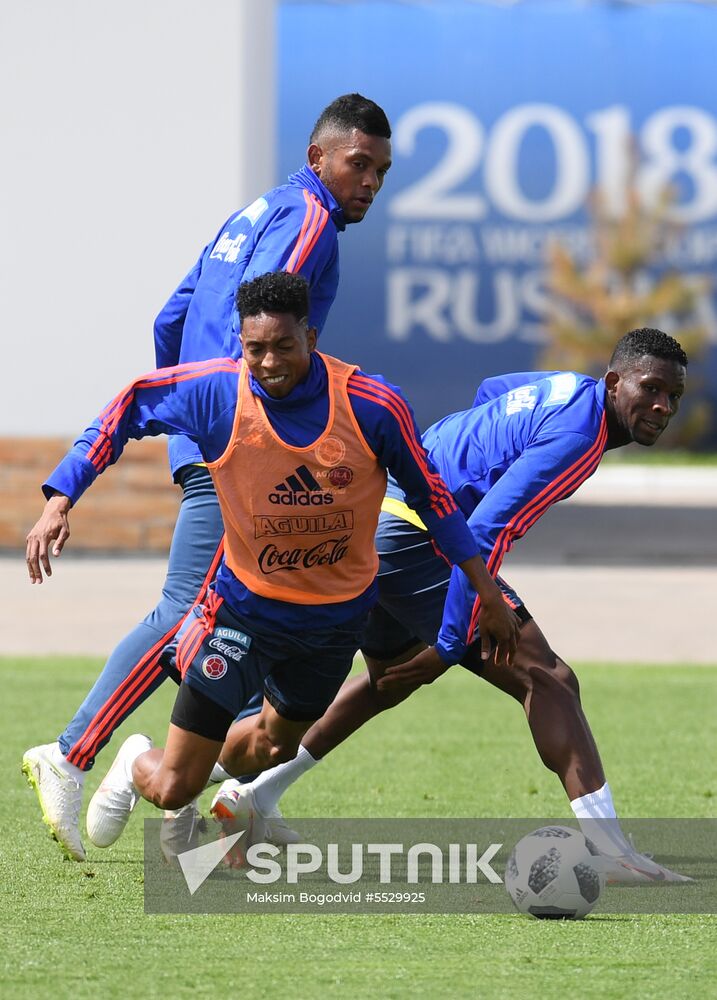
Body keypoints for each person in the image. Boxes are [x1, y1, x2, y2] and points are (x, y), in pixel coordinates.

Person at [25, 272, 520, 852]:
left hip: (334, 625)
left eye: (283, 346)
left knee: (272, 748)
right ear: (241, 342)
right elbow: (129, 405)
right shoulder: (216, 392)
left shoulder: (370, 405)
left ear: (311, 336)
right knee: (171, 788)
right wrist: (61, 498)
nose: (268, 363)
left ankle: (190, 771)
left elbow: (433, 499)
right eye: (254, 348)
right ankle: (140, 762)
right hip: (241, 614)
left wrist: (486, 591)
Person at [22, 93, 394, 862]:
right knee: (191, 607)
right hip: (243, 438)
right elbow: (261, 322)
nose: (370, 182)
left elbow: (174, 311)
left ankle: (218, 804)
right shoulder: (311, 223)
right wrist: (234, 419)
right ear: (319, 156)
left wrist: (184, 404)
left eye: (381, 171)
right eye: (359, 164)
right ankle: (75, 752)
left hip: (216, 425)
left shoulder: (259, 207)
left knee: (260, 603)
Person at [211, 327, 692, 884]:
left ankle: (249, 794)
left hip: (378, 514)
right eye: (650, 388)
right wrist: (450, 639)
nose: (662, 405)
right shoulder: (579, 436)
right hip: (418, 534)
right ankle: (611, 851)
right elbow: (488, 530)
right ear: (614, 382)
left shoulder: (566, 388)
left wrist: (466, 452)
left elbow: (494, 390)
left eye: (673, 397)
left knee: (389, 679)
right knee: (548, 678)